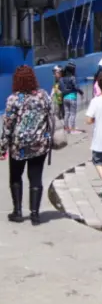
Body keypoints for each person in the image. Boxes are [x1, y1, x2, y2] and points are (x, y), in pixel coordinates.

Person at [1, 66, 54, 225]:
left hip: (19, 145)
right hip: (39, 144)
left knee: (16, 176)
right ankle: (35, 214)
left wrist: (2, 146)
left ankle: (17, 212)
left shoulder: (13, 99)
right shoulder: (43, 95)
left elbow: (8, 125)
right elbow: (51, 116)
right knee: (36, 177)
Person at [59, 63, 85, 134]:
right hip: (72, 97)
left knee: (66, 113)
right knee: (72, 114)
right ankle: (72, 129)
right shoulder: (72, 78)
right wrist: (81, 93)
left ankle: (66, 128)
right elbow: (76, 87)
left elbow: (60, 88)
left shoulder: (61, 79)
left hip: (65, 98)